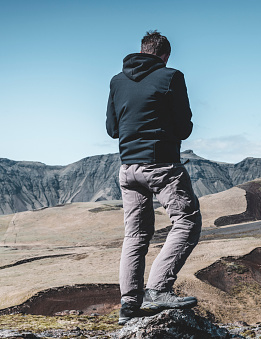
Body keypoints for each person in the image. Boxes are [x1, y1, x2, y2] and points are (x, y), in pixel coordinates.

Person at [106, 30, 202, 325]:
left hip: (128, 169)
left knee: (135, 235)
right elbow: (185, 128)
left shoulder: (117, 81)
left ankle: (129, 304)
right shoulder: (171, 76)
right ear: (165, 56)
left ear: (141, 50)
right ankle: (158, 289)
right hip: (161, 165)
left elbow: (112, 129)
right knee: (187, 220)